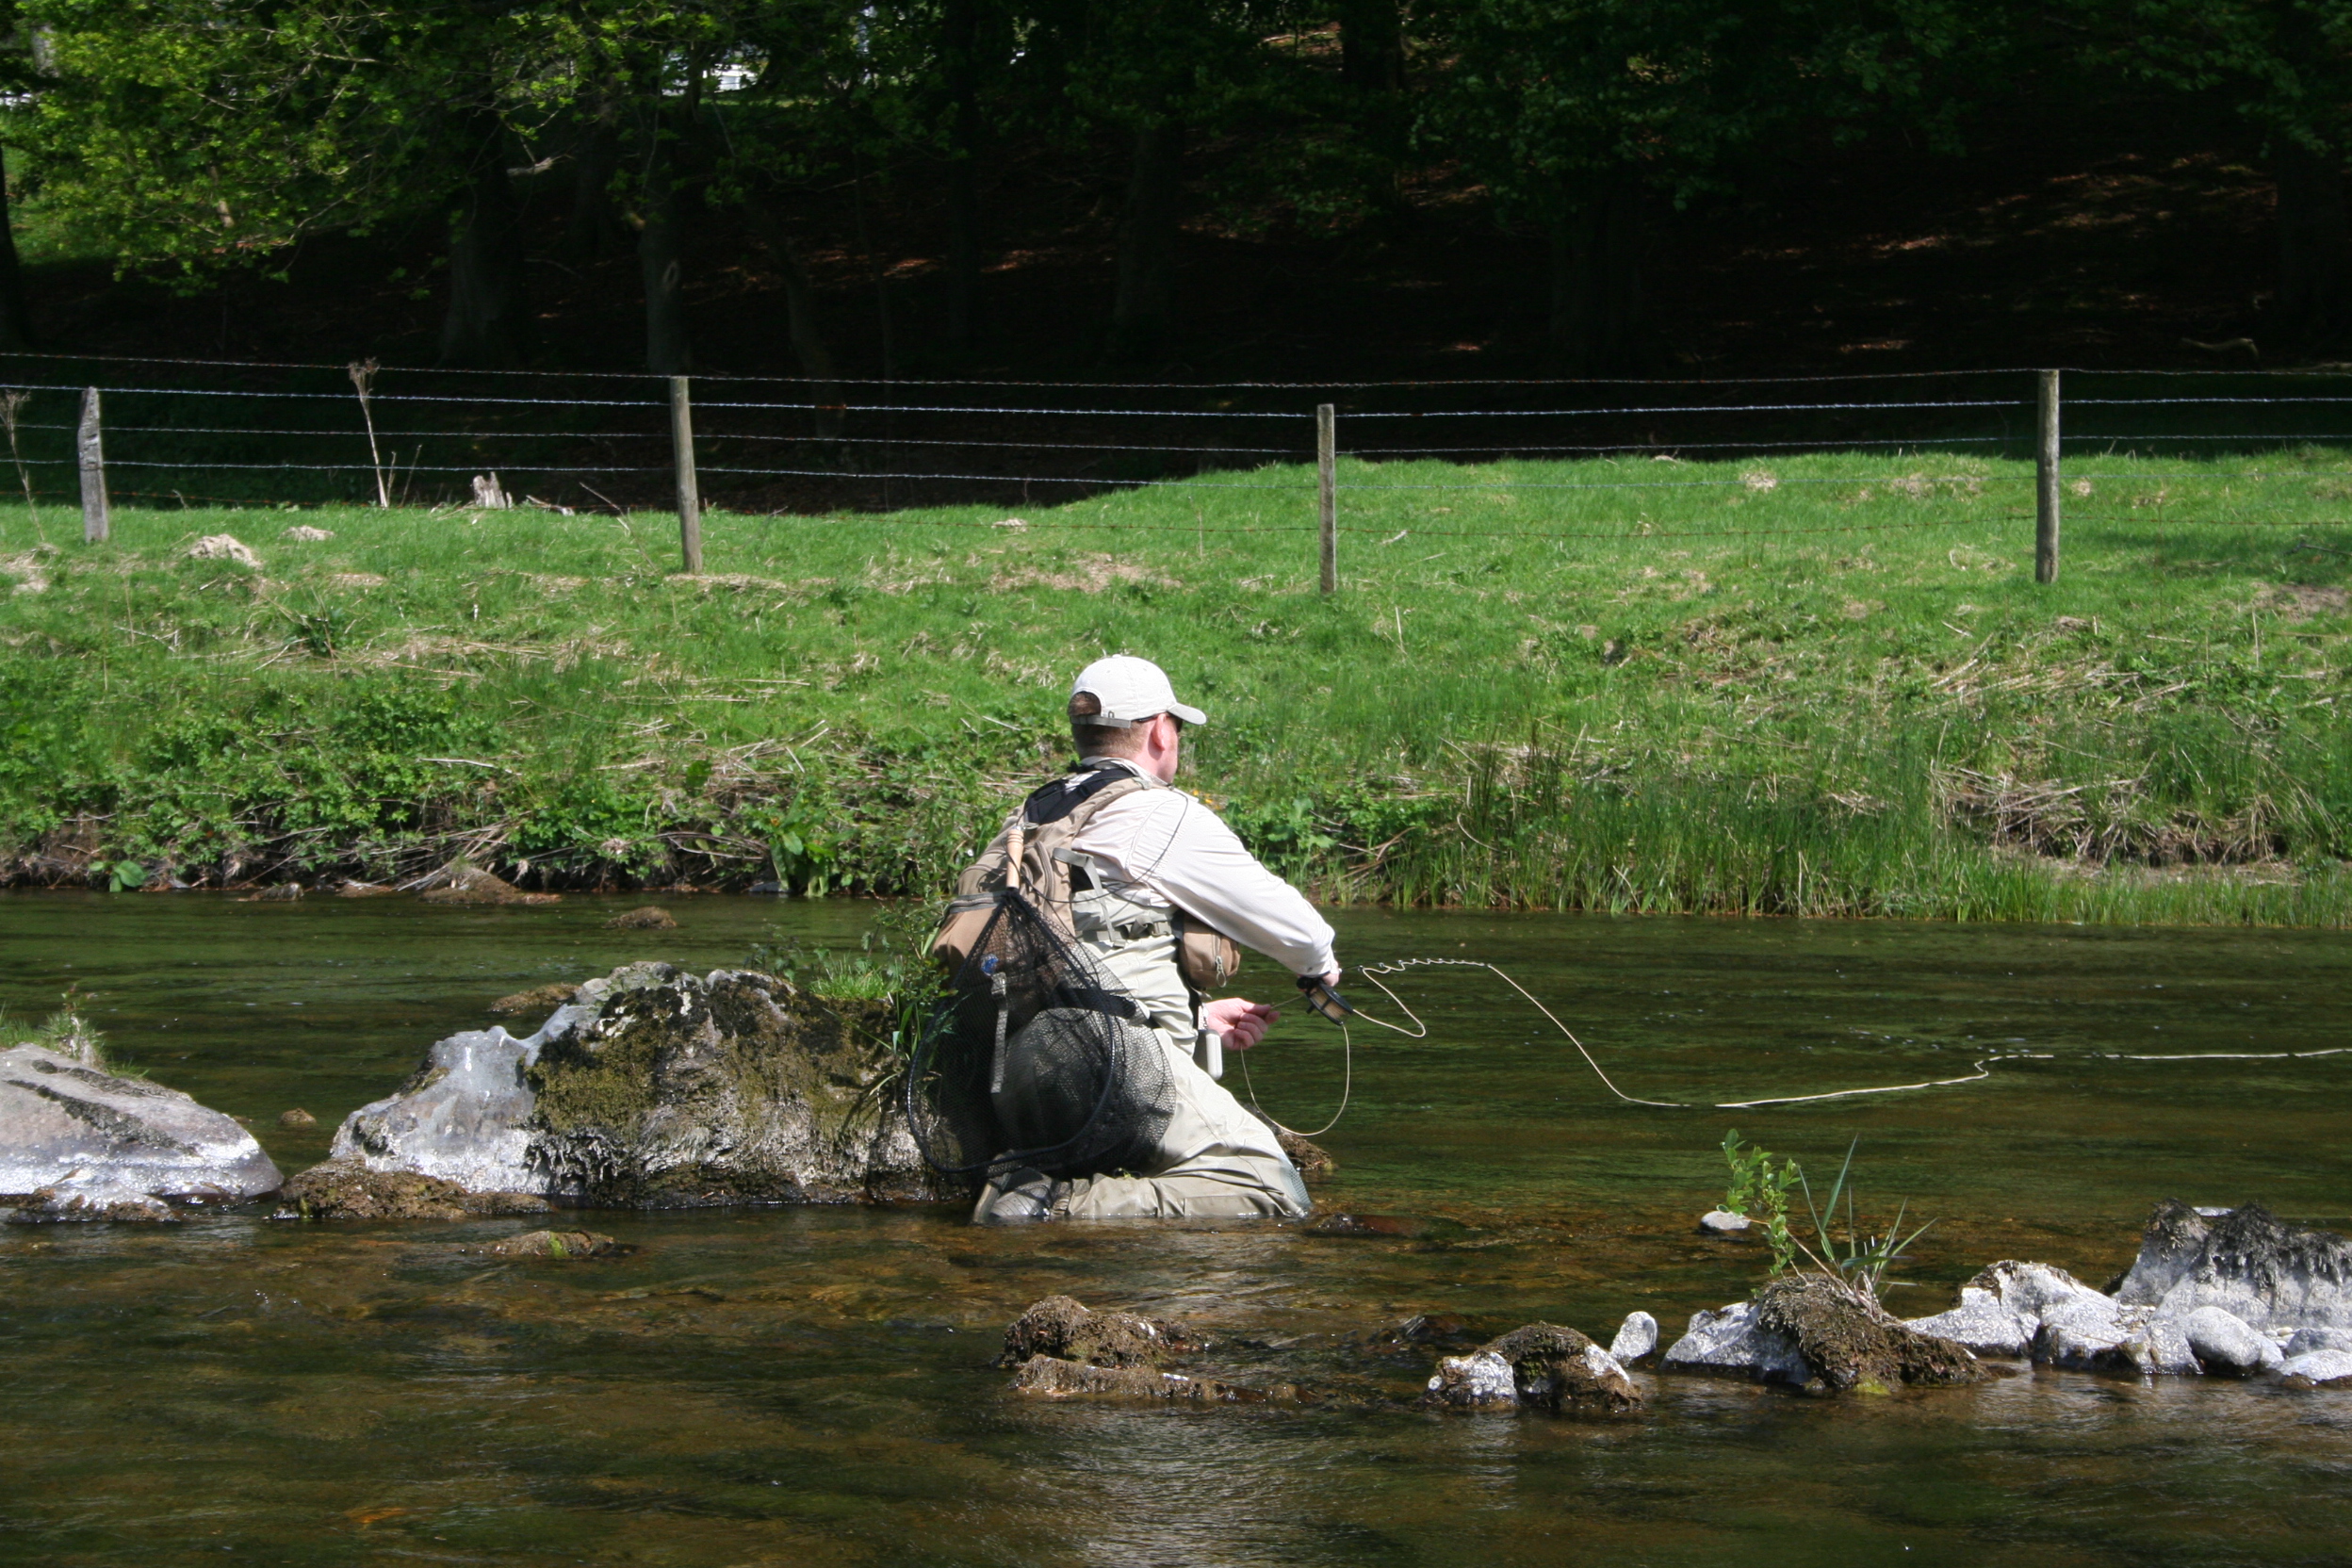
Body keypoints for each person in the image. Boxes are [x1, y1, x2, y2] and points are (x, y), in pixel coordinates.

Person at [970, 654, 1342, 1223]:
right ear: (1162, 731)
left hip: (1018, 1064)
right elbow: (1301, 935)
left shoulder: (1034, 813)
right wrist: (1323, 970)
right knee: (1271, 1186)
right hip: (1106, 1067)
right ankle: (1048, 1208)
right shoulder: (1159, 815)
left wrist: (1198, 1021)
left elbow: (1080, 954)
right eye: (1178, 729)